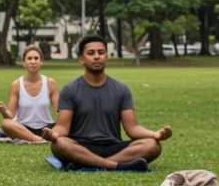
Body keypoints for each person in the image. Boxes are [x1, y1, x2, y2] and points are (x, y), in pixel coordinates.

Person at [40, 35, 171, 171]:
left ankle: (87, 163)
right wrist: (53, 134)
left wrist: (155, 135)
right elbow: (62, 127)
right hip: (81, 147)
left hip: (113, 147)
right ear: (81, 59)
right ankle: (115, 166)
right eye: (91, 53)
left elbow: (132, 128)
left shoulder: (121, 89)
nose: (97, 56)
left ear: (106, 56)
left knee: (152, 145)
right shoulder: (70, 89)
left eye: (101, 52)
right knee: (59, 144)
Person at [0, 44, 58, 143]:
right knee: (5, 123)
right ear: (24, 62)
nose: (33, 62)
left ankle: (44, 137)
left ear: (41, 62)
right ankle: (38, 140)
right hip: (24, 128)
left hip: (47, 128)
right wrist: (4, 111)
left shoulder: (50, 83)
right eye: (29, 59)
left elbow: (59, 110)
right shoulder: (16, 85)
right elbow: (10, 116)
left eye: (36, 58)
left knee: (70, 124)